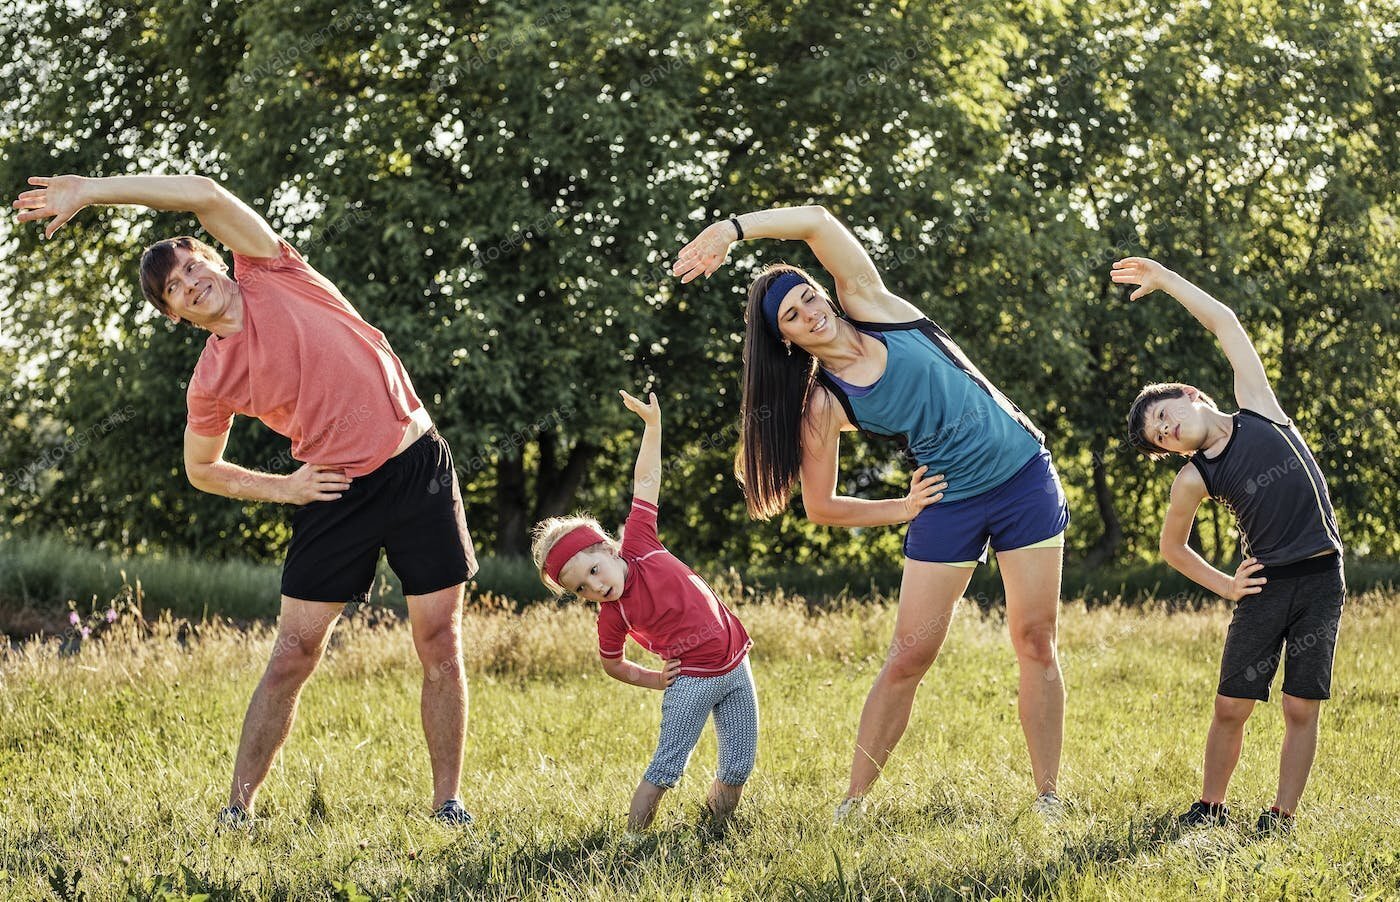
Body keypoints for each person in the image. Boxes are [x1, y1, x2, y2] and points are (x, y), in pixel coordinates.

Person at [12, 174, 479, 826]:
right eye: (172, 286)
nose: (189, 280)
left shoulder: (270, 269)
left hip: (416, 468)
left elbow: (201, 191)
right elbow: (201, 469)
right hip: (332, 490)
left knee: (438, 640)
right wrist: (284, 488)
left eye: (191, 263)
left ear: (211, 256)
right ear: (174, 314)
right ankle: (239, 809)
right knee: (293, 653)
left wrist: (92, 191)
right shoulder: (211, 379)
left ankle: (447, 802)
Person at [672, 206, 1069, 820]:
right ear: (786, 339)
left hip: (1024, 478)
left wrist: (731, 231)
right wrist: (903, 507)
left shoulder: (872, 303)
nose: (811, 312)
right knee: (909, 656)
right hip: (950, 503)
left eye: (808, 297)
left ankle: (1049, 798)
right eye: (793, 316)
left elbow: (815, 221)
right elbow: (820, 506)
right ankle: (852, 804)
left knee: (1035, 639)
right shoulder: (824, 403)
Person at [1115, 256, 1345, 835]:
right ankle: (1210, 806)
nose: (1167, 432)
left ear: (1192, 396)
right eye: (1159, 438)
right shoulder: (1195, 477)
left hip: (1321, 579)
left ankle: (1282, 816)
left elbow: (1224, 322)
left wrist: (1165, 280)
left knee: (1300, 706)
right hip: (1264, 588)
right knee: (1231, 705)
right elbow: (1173, 546)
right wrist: (1225, 584)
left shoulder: (1259, 409)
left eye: (1165, 417)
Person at [531, 389, 757, 833]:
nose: (596, 587)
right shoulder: (612, 617)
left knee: (737, 765)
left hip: (736, 665)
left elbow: (647, 479)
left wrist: (652, 427)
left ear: (609, 549)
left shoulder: (640, 543)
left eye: (594, 570)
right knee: (665, 771)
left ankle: (715, 830)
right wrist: (655, 680)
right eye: (582, 589)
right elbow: (611, 663)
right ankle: (634, 843)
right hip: (691, 682)